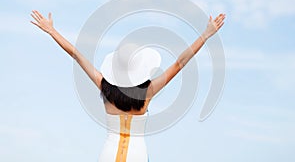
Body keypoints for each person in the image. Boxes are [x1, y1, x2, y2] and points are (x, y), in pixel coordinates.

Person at [30, 10, 225, 162]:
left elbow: (76, 54)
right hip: (137, 155)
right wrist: (206, 34)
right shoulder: (148, 92)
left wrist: (52, 31)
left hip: (108, 154)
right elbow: (180, 63)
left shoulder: (103, 86)